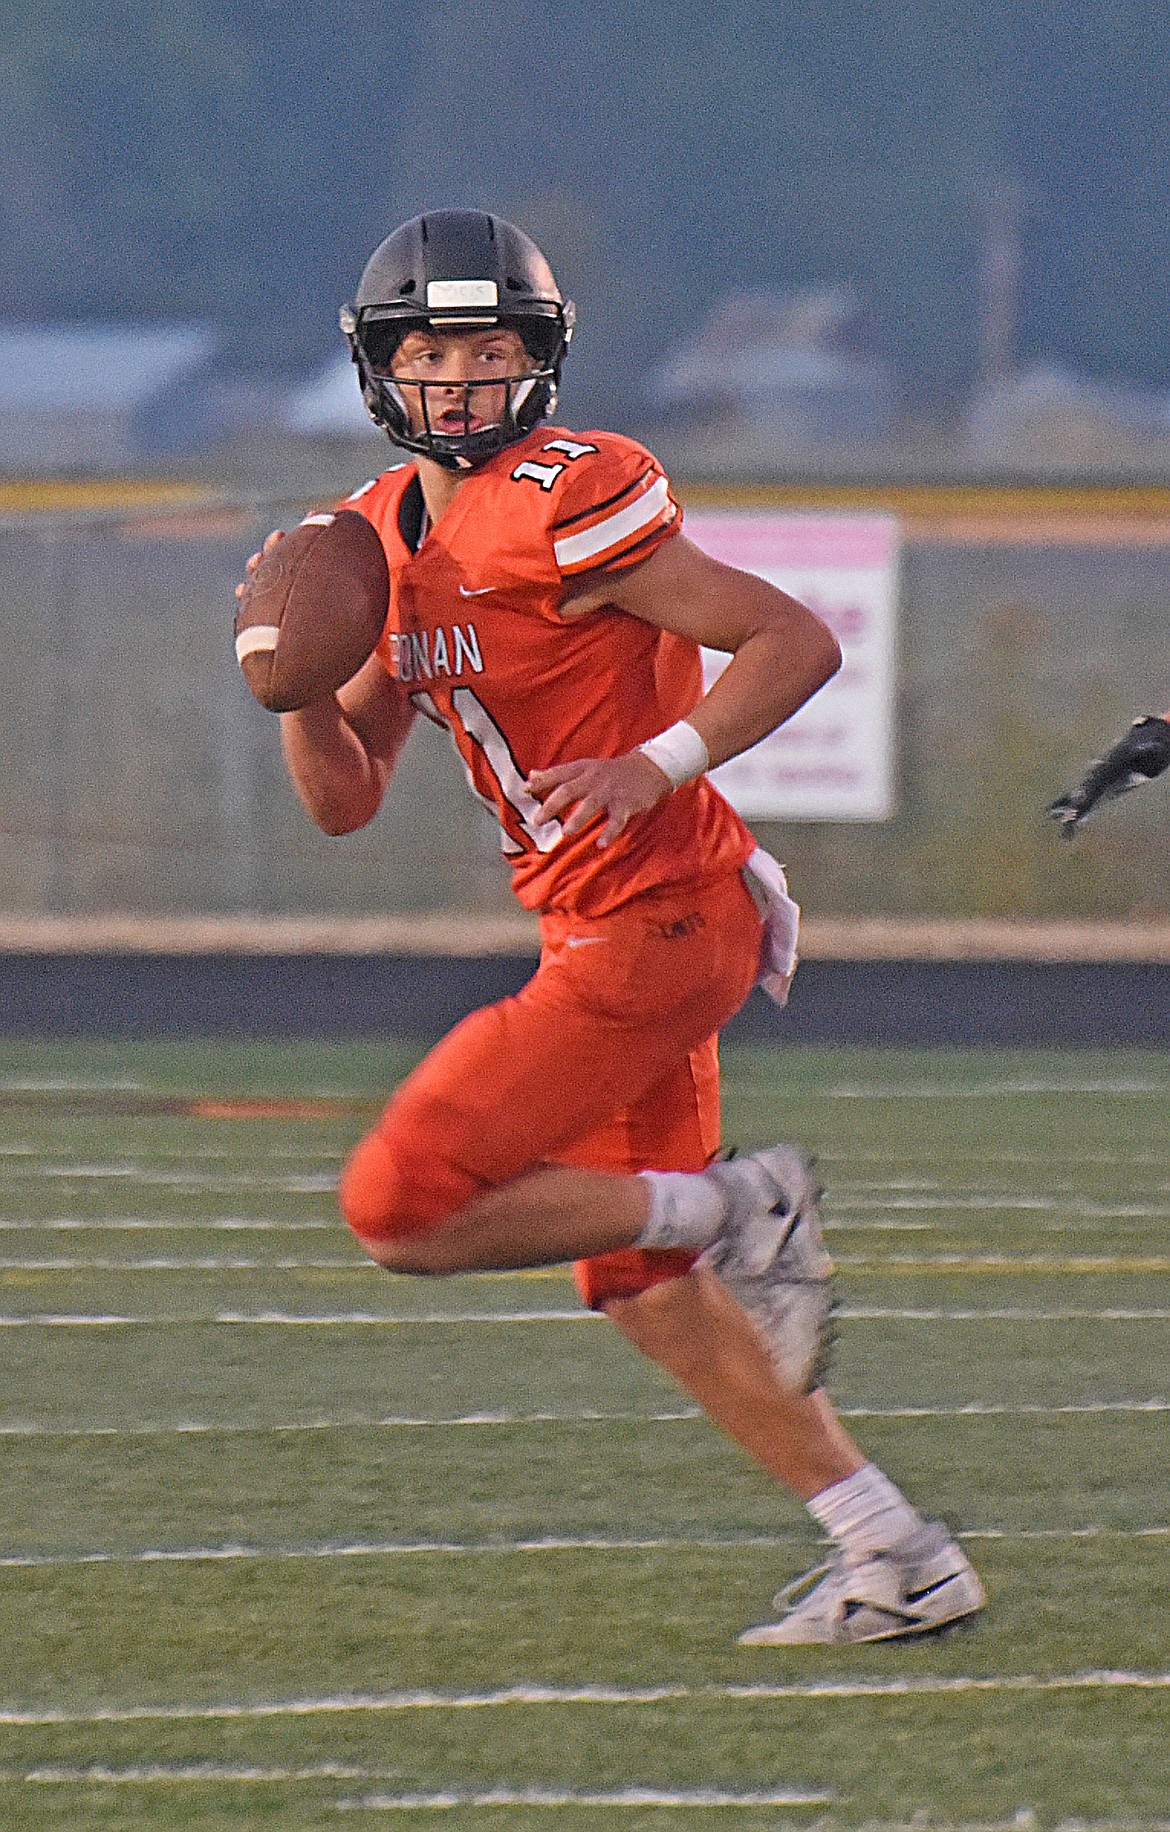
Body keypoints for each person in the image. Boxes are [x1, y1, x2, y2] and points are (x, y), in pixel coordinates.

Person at [239, 209, 984, 1645]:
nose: (459, 378)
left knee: (399, 1210)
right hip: (606, 921)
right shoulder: (376, 535)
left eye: (489, 346)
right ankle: (892, 1551)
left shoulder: (569, 495)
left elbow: (790, 637)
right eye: (432, 349)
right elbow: (347, 798)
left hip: (653, 920)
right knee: (641, 1288)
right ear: (381, 367)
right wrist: (286, 690)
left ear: (541, 359)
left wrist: (658, 762)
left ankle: (738, 1201)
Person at [1049, 713, 1170, 834]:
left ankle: (1073, 809)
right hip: (1147, 760)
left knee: (1101, 779)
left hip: (1145, 755)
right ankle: (1073, 809)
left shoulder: (1150, 733)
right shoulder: (1152, 732)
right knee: (1103, 782)